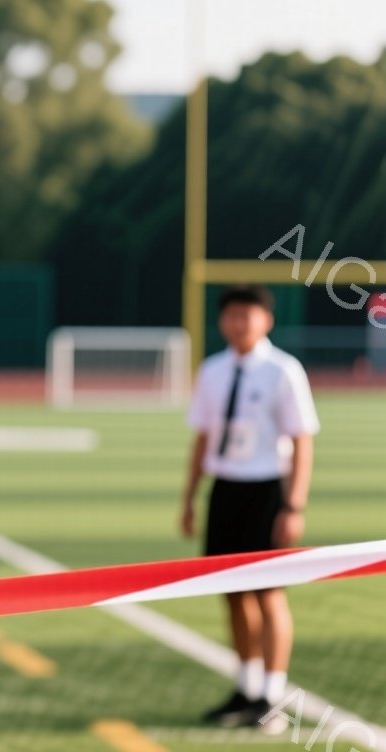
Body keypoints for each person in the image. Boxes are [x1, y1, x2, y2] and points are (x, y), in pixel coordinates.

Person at [180, 285, 319, 732]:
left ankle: (272, 695)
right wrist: (189, 496)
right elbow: (202, 436)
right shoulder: (214, 370)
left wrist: (293, 504)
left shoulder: (283, 371)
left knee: (269, 592)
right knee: (232, 590)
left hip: (267, 490)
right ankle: (246, 686)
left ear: (266, 320)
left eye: (249, 314)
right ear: (222, 321)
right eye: (232, 315)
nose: (239, 323)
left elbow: (302, 440)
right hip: (226, 488)